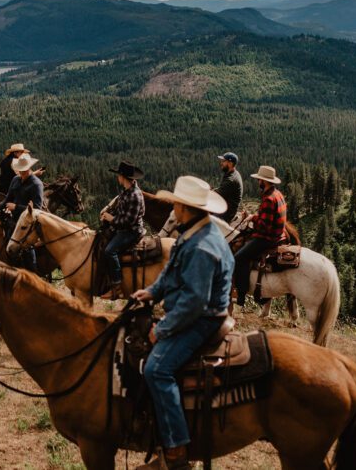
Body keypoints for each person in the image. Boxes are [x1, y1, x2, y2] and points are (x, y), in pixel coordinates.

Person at [131, 176, 234, 470]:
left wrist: (160, 329)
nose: (173, 207)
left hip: (203, 320)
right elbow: (171, 272)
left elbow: (194, 302)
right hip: (191, 313)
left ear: (185, 208)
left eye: (176, 203)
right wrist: (153, 291)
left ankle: (176, 455)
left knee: (157, 369)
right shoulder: (191, 233)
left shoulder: (202, 246)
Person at [233, 165, 287, 307]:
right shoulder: (278, 194)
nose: (258, 182)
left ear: (264, 181)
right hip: (279, 235)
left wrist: (252, 219)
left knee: (239, 258)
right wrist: (255, 216)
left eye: (260, 180)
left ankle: (241, 294)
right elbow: (269, 217)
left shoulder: (268, 199)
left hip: (268, 239)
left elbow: (264, 226)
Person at [99, 161, 146, 299]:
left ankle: (117, 287)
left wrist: (111, 219)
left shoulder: (135, 195)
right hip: (123, 227)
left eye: (119, 175)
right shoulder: (126, 192)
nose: (117, 178)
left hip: (132, 230)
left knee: (109, 251)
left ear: (123, 177)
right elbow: (121, 212)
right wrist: (108, 215)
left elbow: (128, 221)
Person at [0, 154, 45, 271]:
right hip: (14, 220)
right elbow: (8, 198)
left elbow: (37, 209)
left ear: (29, 168)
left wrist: (16, 207)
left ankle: (33, 273)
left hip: (27, 224)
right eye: (20, 170)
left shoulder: (36, 184)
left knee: (28, 250)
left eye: (23, 170)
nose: (21, 173)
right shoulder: (15, 179)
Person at [214, 152, 243, 223]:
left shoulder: (231, 179)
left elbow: (217, 195)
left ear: (230, 163)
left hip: (226, 212)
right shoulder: (232, 173)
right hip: (227, 208)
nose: (221, 163)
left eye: (223, 161)